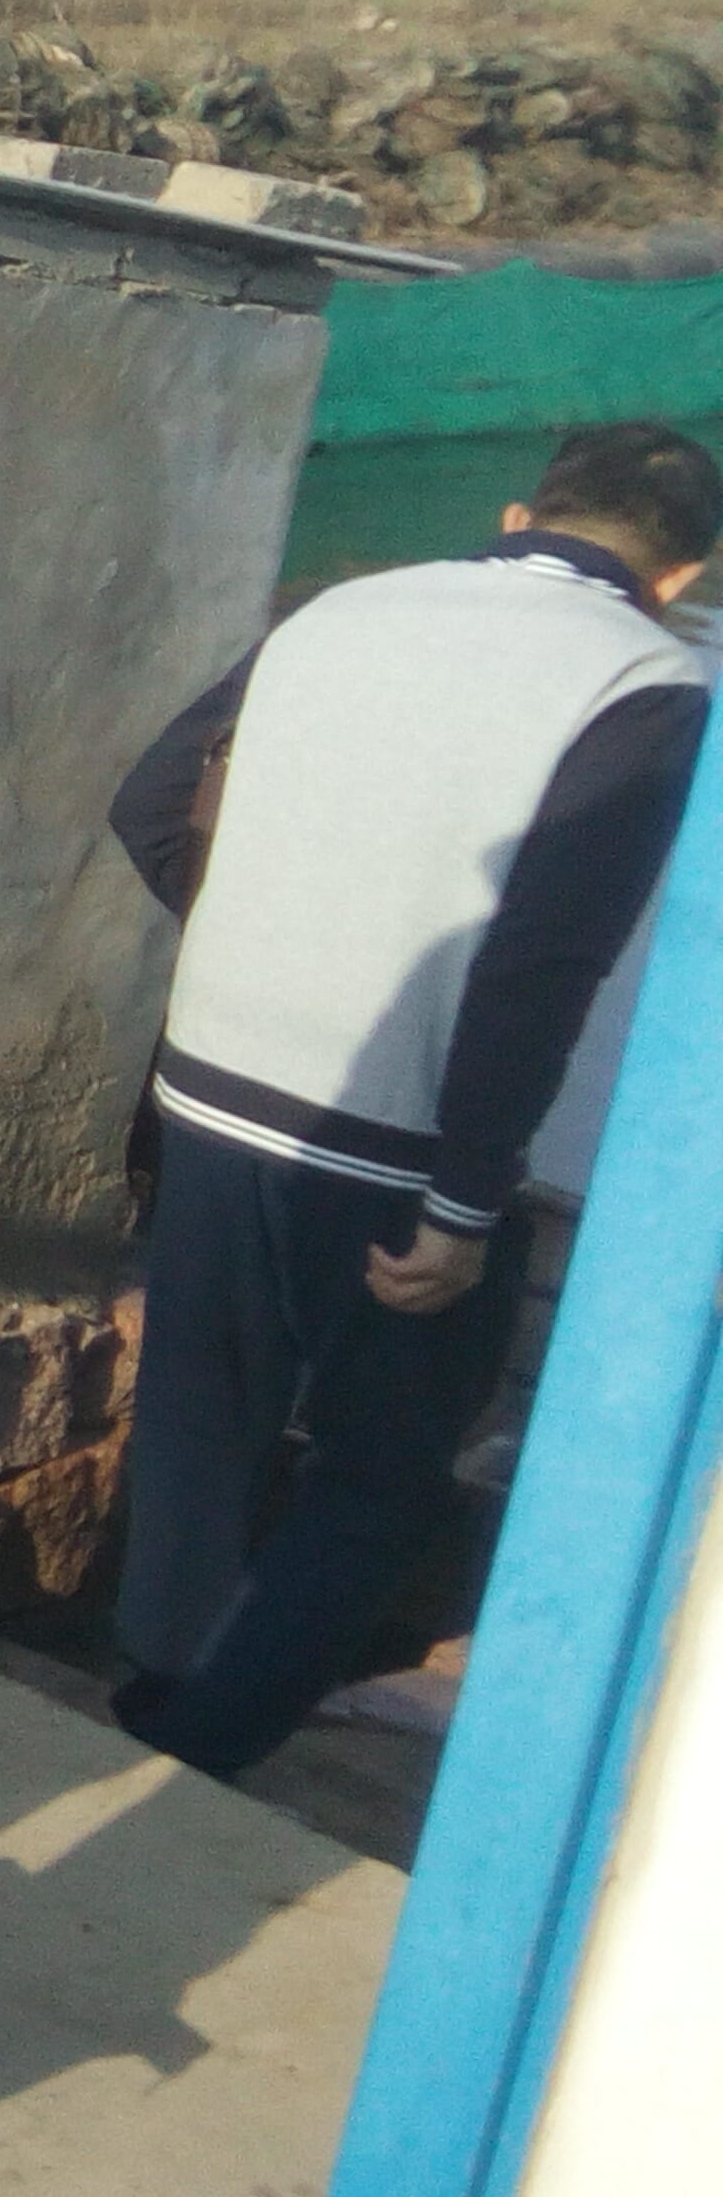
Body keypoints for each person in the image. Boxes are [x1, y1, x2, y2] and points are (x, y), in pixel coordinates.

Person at [102, 423, 716, 1778]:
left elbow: (150, 803)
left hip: (211, 1083)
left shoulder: (341, 609)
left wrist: (255, 948)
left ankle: (151, 1693)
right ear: (681, 576)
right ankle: (210, 1741)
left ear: (519, 515)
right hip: (397, 1147)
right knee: (385, 1469)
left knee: (204, 1414)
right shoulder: (649, 681)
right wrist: (467, 1199)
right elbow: (539, 964)